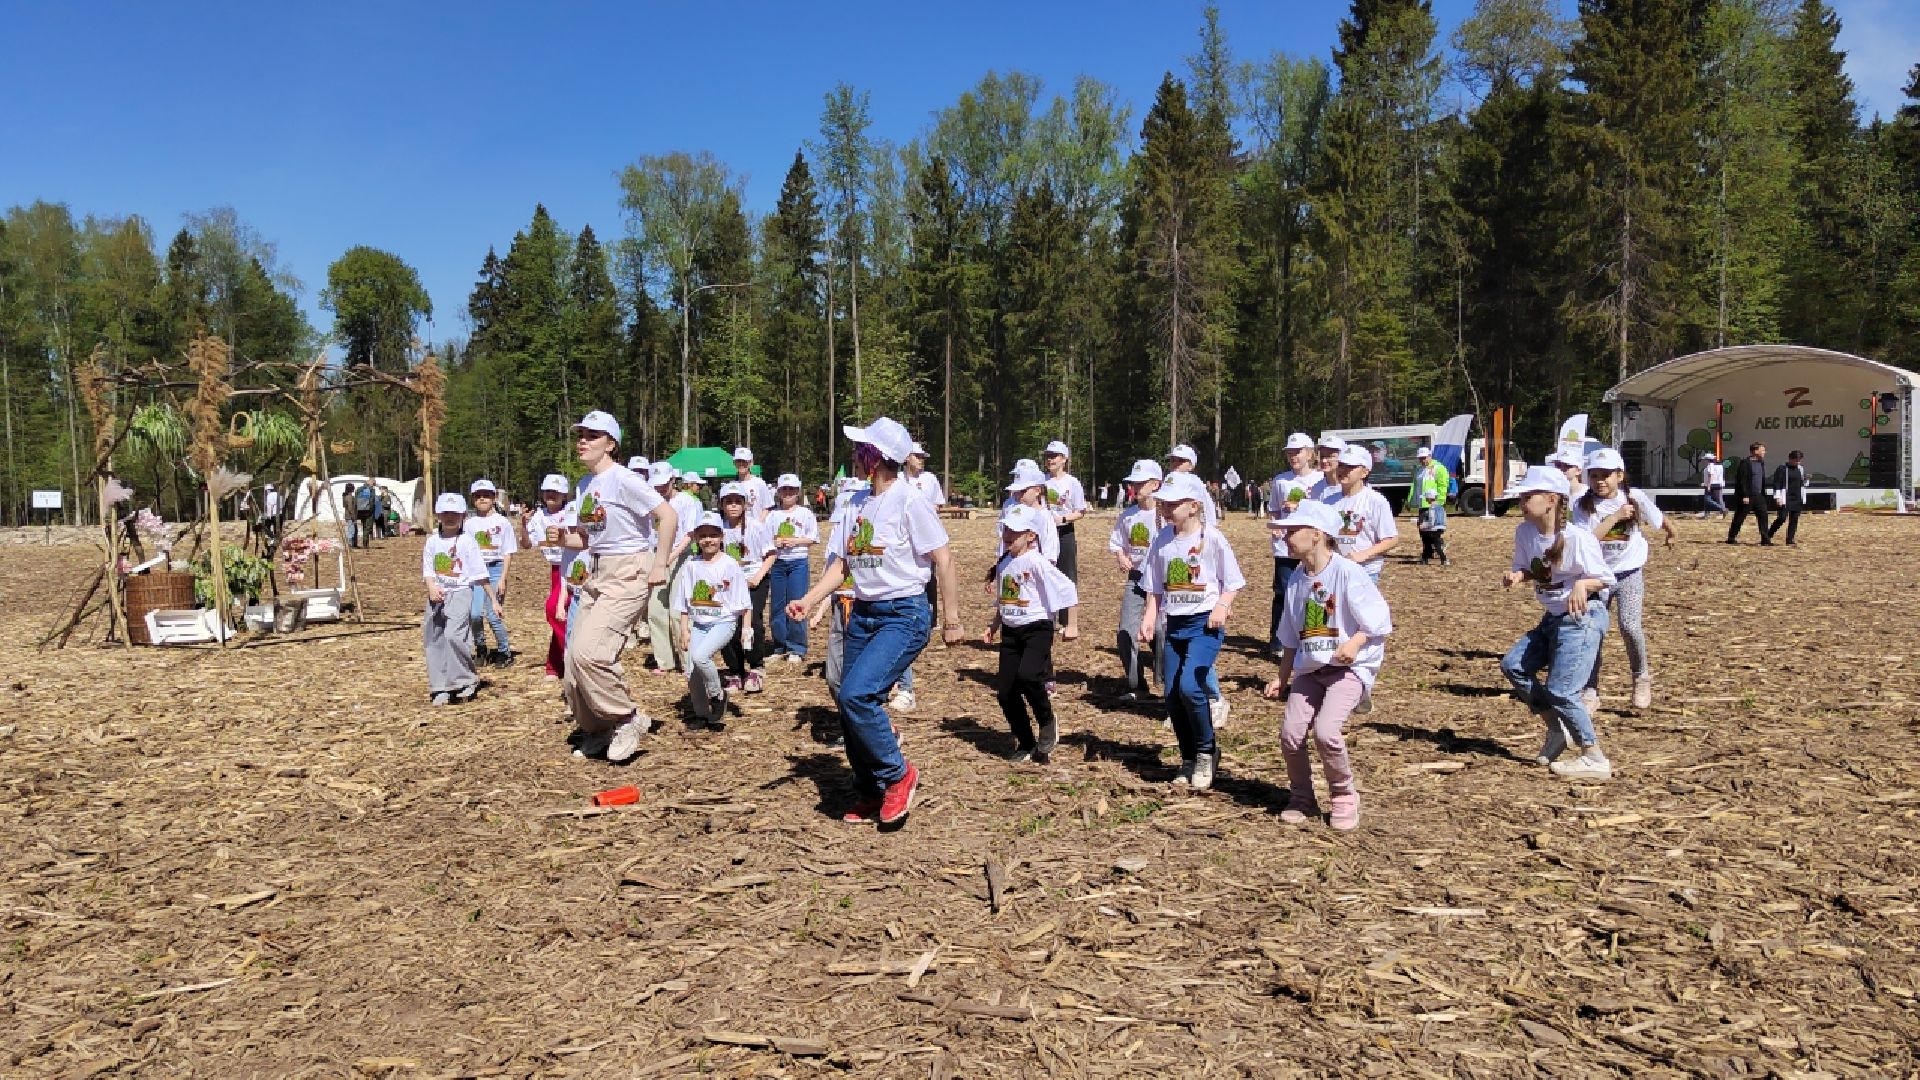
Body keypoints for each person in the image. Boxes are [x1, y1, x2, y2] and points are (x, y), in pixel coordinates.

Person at [786, 417, 964, 826]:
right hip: (863, 614)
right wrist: (810, 598)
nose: (853, 453)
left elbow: (944, 559)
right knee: (848, 702)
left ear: (877, 457)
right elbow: (842, 565)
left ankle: (898, 775)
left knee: (857, 696)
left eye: (860, 447)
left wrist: (951, 619)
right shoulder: (855, 503)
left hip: (903, 614)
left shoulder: (909, 500)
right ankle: (870, 789)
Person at [1262, 499, 1393, 831]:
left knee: (1326, 732)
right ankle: (1302, 797)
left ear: (1316, 534)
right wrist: (1281, 678)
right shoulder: (1296, 579)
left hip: (1348, 669)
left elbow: (1378, 622)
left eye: (1294, 531)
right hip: (1310, 669)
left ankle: (1343, 796)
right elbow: (1291, 637)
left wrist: (1354, 643)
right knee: (1291, 735)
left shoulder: (1348, 572)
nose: (1286, 537)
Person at [558, 410, 678, 764]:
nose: (583, 440)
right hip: (597, 573)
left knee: (591, 654)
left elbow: (667, 515)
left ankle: (627, 718)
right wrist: (562, 537)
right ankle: (600, 728)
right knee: (570, 666)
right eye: (580, 434)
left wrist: (660, 563)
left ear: (611, 444)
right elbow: (588, 537)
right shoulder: (584, 486)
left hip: (629, 572)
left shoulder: (624, 479)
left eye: (592, 435)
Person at [1500, 466, 1617, 781]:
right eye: (1521, 497)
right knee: (1514, 665)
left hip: (1583, 618)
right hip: (1552, 618)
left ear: (1552, 499)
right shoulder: (1525, 532)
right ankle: (1556, 729)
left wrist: (1582, 585)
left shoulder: (1577, 537)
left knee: (1562, 690)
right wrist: (1516, 576)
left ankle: (1594, 757)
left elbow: (1606, 579)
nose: (1523, 502)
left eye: (1529, 496)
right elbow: (1530, 568)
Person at [1137, 471, 1245, 792]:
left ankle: (1206, 751)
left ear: (1194, 506)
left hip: (1204, 626)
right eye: (1163, 503)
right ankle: (1188, 757)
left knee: (1190, 686)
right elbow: (1155, 586)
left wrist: (1222, 606)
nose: (1166, 509)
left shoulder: (1212, 539)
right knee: (1171, 696)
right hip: (1174, 627)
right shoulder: (1162, 540)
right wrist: (1149, 615)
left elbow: (1233, 582)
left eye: (1173, 503)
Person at [1574, 448, 1677, 712]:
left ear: (1619, 475)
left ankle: (1641, 677)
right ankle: (1590, 689)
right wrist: (1616, 517)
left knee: (1630, 626)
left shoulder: (1635, 498)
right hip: (1597, 577)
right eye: (1594, 475)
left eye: (1606, 475)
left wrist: (1671, 532)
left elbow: (1657, 517)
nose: (1600, 481)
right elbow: (1586, 540)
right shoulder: (1582, 505)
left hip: (1629, 572)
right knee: (1593, 632)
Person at [986, 503, 1080, 763]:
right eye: (1006, 530)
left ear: (1031, 535)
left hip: (1036, 628)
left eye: (1015, 532)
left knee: (1028, 676)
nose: (1008, 536)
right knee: (1005, 692)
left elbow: (1068, 588)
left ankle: (1047, 720)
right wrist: (994, 625)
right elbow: (1004, 598)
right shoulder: (1005, 562)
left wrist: (1071, 625)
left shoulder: (1037, 562)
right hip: (1010, 631)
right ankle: (1026, 742)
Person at [672, 512, 750, 730]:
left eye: (713, 535)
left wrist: (746, 627)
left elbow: (744, 602)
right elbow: (684, 601)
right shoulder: (691, 566)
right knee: (691, 670)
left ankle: (717, 694)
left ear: (721, 537)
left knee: (700, 656)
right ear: (696, 538)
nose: (708, 540)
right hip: (698, 623)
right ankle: (703, 714)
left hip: (723, 622)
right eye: (703, 535)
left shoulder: (730, 564)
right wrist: (685, 630)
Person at [422, 492, 496, 706]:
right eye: (445, 513)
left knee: (454, 635)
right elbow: (428, 569)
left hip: (461, 592)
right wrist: (431, 587)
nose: (450, 517)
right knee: (434, 638)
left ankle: (465, 679)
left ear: (463, 515)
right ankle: (440, 686)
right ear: (438, 515)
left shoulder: (467, 542)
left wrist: (493, 599)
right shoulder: (432, 541)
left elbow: (480, 574)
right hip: (437, 595)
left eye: (455, 513)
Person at [1109, 460, 1163, 701]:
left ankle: (1164, 682)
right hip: (1137, 579)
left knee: (1160, 631)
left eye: (1141, 483)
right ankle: (1136, 685)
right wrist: (1121, 557)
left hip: (1162, 583)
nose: (1136, 487)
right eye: (1134, 483)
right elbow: (1117, 542)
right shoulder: (1128, 515)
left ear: (1155, 484)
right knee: (1125, 632)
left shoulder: (1165, 515)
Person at [716, 481, 777, 694]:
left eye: (737, 502)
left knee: (752, 623)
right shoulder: (717, 528)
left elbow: (770, 555)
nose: (733, 506)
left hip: (753, 581)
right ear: (722, 504)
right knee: (726, 625)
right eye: (728, 502)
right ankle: (735, 670)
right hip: (727, 585)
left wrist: (759, 577)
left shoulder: (756, 526)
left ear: (744, 504)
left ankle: (756, 667)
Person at [523, 474, 581, 681]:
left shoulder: (572, 510)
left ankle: (571, 657)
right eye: (547, 491)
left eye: (555, 492)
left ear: (564, 494)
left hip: (573, 565)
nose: (551, 495)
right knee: (560, 615)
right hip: (556, 569)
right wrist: (523, 524)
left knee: (553, 610)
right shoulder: (539, 516)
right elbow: (527, 544)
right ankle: (555, 664)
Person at [1268, 433, 1323, 640]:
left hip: (1311, 547)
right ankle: (1278, 639)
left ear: (1310, 454)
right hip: (1285, 547)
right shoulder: (1281, 480)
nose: (1293, 457)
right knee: (1283, 592)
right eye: (1289, 453)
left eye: (1297, 452)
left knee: (1311, 589)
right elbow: (1274, 509)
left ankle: (1308, 634)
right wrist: (1276, 527)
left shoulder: (1320, 480)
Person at [1322, 445, 1400, 581]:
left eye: (1350, 467)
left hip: (1366, 572)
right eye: (1341, 465)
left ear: (1364, 472)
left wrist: (1363, 555)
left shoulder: (1376, 501)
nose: (1343, 470)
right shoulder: (1328, 501)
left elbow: (1391, 539)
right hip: (1335, 571)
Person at [643, 463, 693, 676]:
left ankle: (687, 659)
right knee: (655, 609)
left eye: (664, 484)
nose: (660, 489)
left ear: (673, 480)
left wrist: (668, 558)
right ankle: (664, 660)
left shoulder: (686, 501)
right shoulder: (651, 502)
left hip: (679, 557)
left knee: (677, 611)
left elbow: (690, 534)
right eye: (656, 485)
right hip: (657, 557)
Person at [463, 479, 518, 666]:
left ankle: (504, 651)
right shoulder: (468, 524)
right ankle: (481, 648)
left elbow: (508, 552)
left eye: (486, 495)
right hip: (476, 572)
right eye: (478, 496)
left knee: (493, 614)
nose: (482, 499)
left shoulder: (502, 523)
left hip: (495, 569)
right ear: (473, 499)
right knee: (475, 614)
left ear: (494, 498)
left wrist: (503, 578)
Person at [766, 474, 819, 663]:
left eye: (791, 490)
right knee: (777, 606)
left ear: (797, 492)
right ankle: (780, 645)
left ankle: (797, 647)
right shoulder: (773, 515)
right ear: (778, 492)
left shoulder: (805, 514)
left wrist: (795, 541)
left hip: (798, 563)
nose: (787, 493)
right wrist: (776, 542)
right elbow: (766, 539)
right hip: (778, 563)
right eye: (784, 489)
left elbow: (812, 538)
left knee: (796, 603)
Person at [1041, 440, 1087, 584]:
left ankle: (1067, 606)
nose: (1050, 459)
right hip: (1044, 532)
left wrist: (1062, 519)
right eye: (1048, 456)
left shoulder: (1072, 482)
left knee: (1067, 575)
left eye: (1054, 456)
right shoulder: (1041, 481)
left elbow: (1080, 511)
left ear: (1064, 459)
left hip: (1065, 532)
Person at [1406, 446, 1451, 567]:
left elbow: (1443, 485)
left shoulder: (1439, 468)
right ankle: (1428, 552)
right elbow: (1414, 486)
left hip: (1433, 504)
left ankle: (1437, 549)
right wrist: (1410, 501)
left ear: (1430, 456)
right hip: (1422, 504)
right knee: (1422, 530)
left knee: (1433, 530)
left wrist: (1440, 501)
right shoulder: (1419, 470)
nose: (1422, 460)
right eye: (1420, 458)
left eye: (1424, 458)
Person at [1726, 442, 1773, 545]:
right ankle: (1731, 537)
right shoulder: (1745, 463)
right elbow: (1742, 481)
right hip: (1748, 496)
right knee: (1740, 517)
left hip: (1759, 495)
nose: (1764, 452)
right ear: (1755, 451)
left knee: (1763, 517)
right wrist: (1745, 495)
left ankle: (1765, 540)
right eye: (1762, 450)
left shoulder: (1761, 463)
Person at [1164, 444, 1220, 526]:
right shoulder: (1167, 481)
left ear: (1191, 466)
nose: (1175, 463)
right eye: (1173, 460)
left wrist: (1208, 529)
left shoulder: (1195, 484)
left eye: (1181, 460)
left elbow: (1207, 509)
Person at [1766, 450, 1808, 546]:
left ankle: (1790, 539)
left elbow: (1802, 483)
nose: (1798, 462)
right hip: (1785, 496)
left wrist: (1806, 480)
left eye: (1799, 460)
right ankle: (1768, 535)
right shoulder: (1782, 469)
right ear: (1790, 459)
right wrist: (1777, 497)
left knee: (1794, 519)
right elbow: (1777, 483)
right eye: (1796, 460)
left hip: (1797, 496)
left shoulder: (1800, 469)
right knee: (1782, 518)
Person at [731, 447, 774, 521]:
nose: (741, 464)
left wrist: (758, 525)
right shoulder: (732, 485)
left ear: (751, 463)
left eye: (744, 461)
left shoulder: (759, 483)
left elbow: (767, 508)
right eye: (738, 461)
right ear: (734, 463)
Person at [903, 442, 946, 506]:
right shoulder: (899, 478)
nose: (921, 460)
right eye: (917, 456)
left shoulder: (930, 478)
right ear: (907, 457)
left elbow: (938, 503)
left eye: (922, 457)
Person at [1698, 452, 1728, 519]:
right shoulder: (1719, 466)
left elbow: (1711, 475)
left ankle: (1722, 509)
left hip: (1712, 484)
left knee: (1707, 499)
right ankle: (1708, 514)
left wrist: (1708, 485)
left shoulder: (1710, 466)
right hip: (1718, 484)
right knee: (1719, 499)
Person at [353, 479, 377, 549]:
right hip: (368, 512)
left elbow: (355, 500)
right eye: (374, 484)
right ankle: (365, 544)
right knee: (366, 528)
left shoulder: (359, 489)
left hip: (359, 511)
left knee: (359, 527)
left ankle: (356, 543)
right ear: (372, 483)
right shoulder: (371, 490)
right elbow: (372, 502)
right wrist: (371, 511)